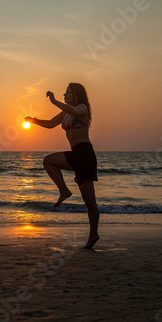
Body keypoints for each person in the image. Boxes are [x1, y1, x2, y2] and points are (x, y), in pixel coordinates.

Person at [25, 83, 100, 249]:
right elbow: (51, 123)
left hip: (85, 155)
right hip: (75, 153)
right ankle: (64, 191)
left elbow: (74, 111)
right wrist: (34, 121)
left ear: (76, 95)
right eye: (64, 93)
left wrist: (53, 100)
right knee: (48, 161)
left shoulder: (82, 108)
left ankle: (93, 234)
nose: (65, 95)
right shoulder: (66, 111)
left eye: (67, 93)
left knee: (90, 203)